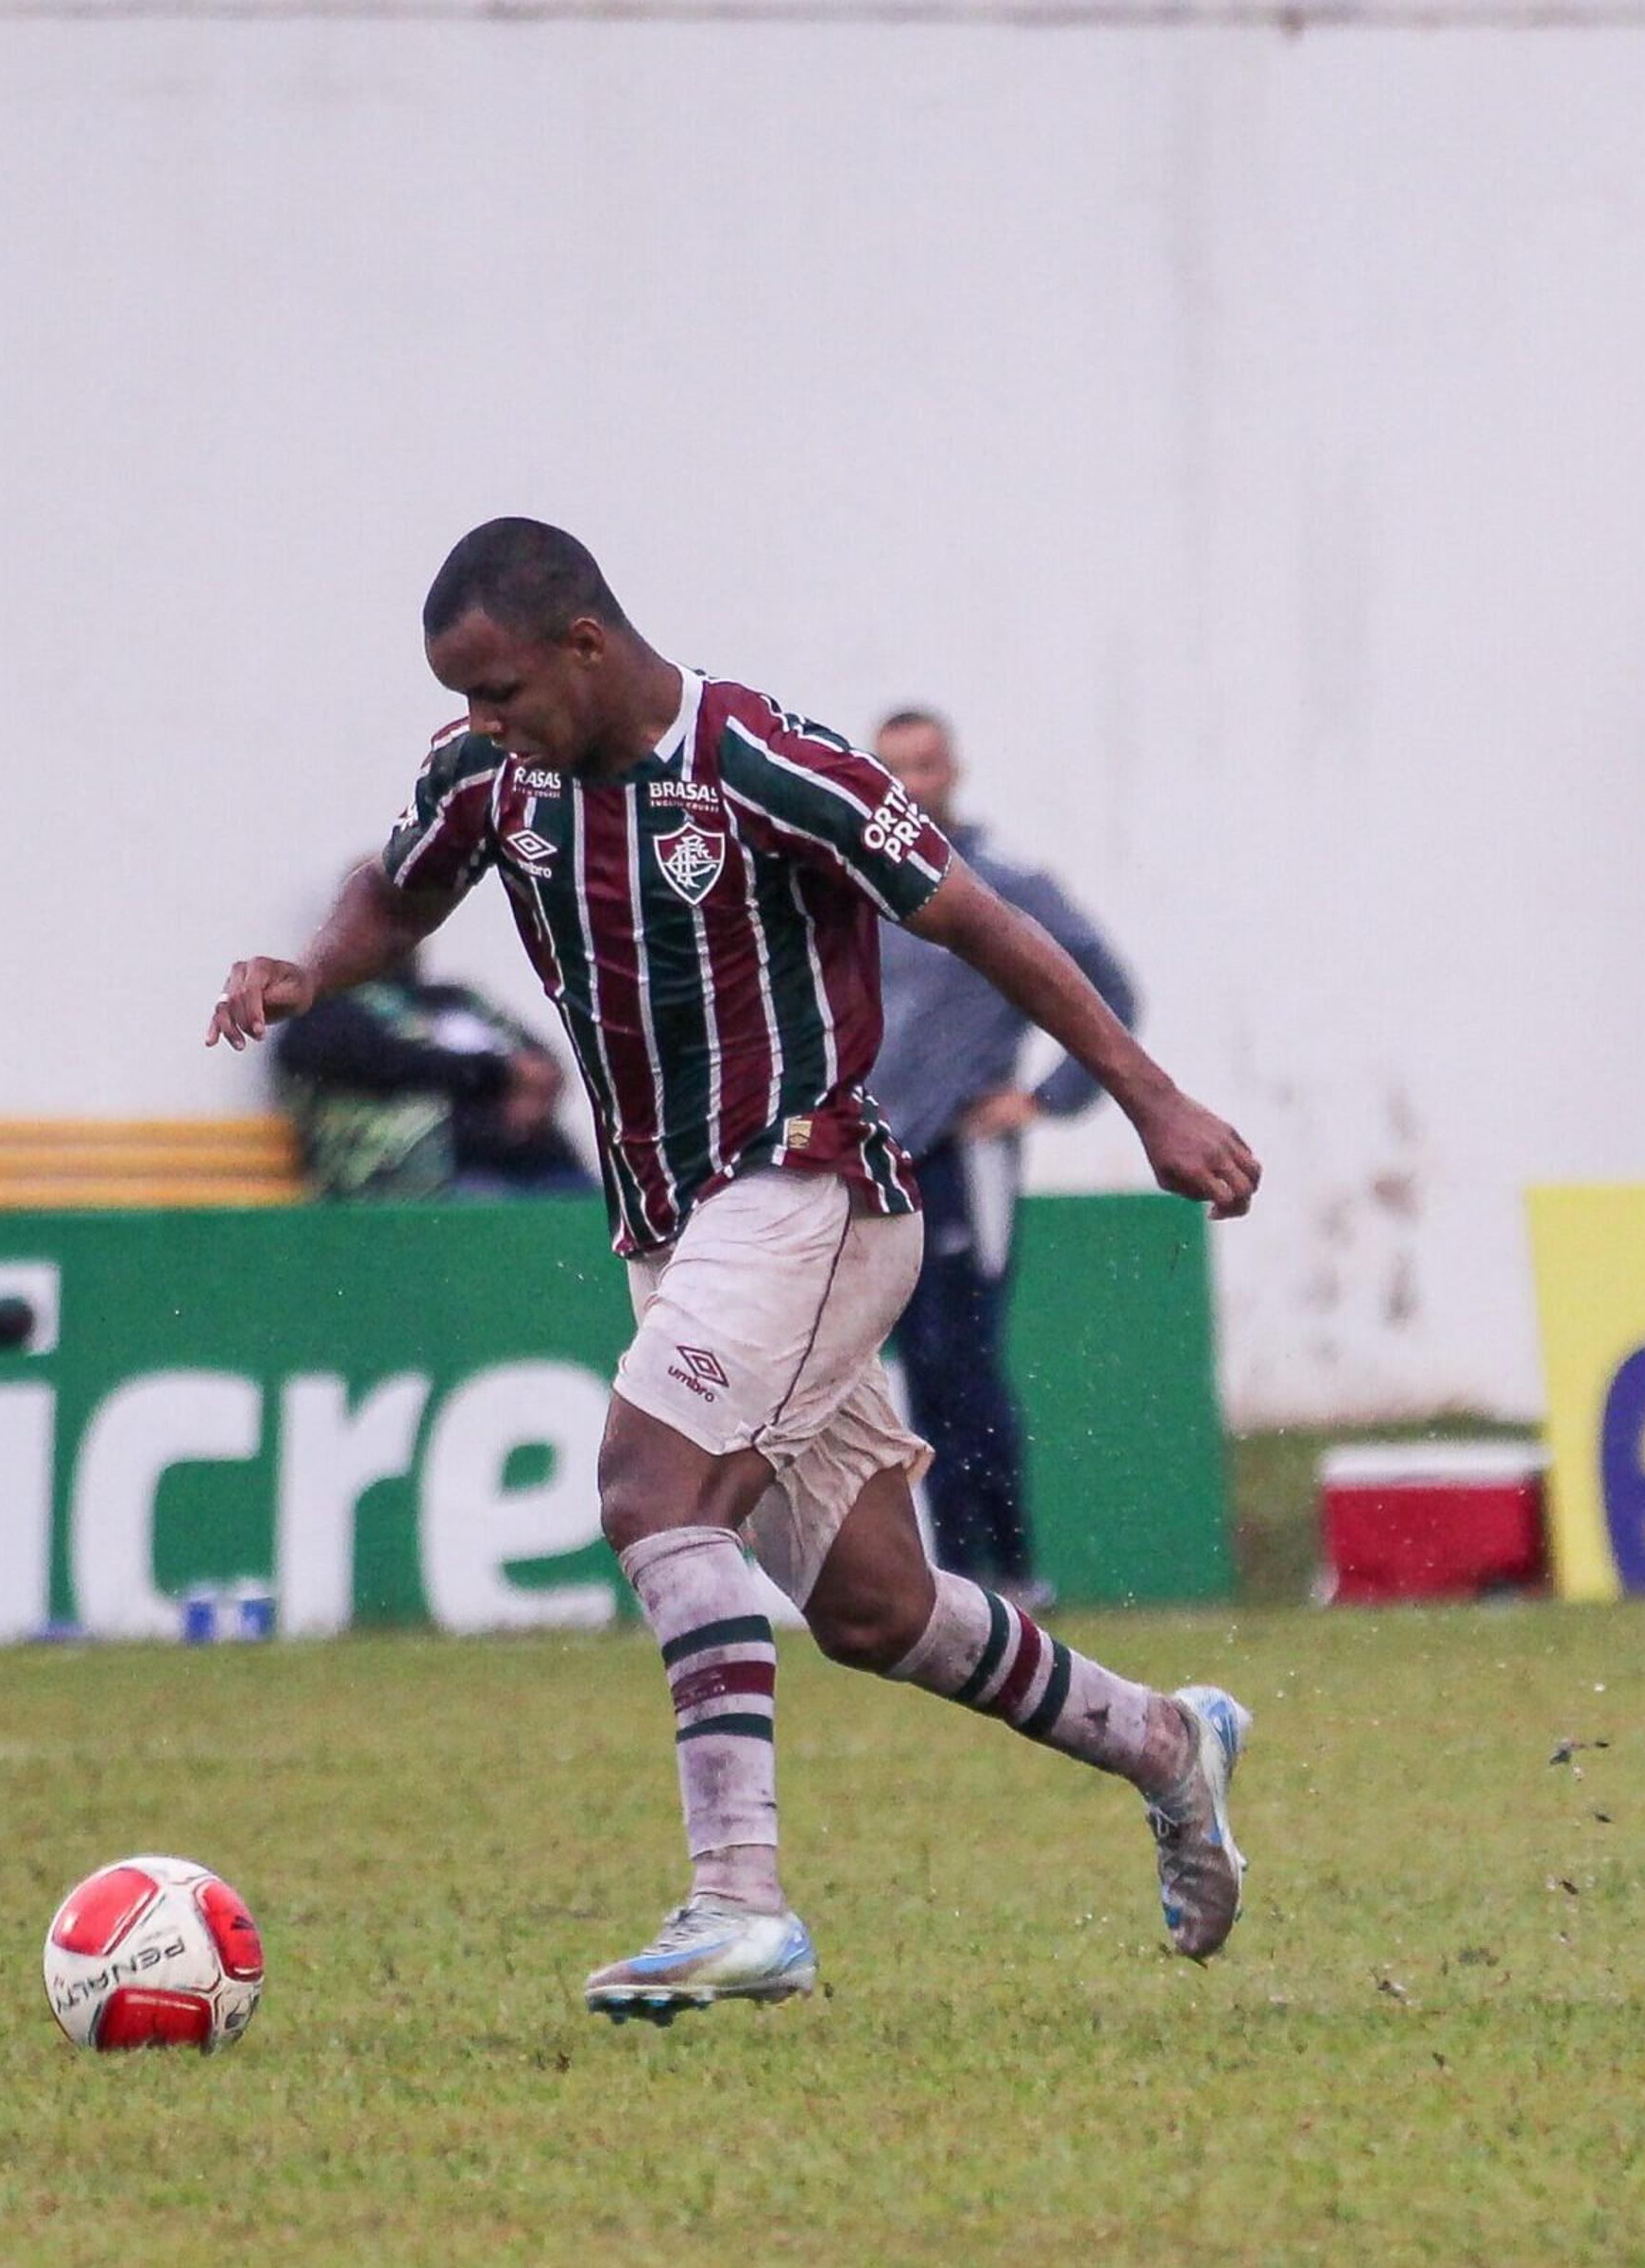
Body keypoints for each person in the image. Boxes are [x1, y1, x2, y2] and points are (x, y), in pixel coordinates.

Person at [208, 519, 1266, 2017]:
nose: (482, 724)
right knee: (878, 1610)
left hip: (814, 1184)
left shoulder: (764, 760)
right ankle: (1163, 1740)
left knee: (652, 1488)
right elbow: (399, 892)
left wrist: (1152, 1100)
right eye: (467, 701)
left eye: (501, 690)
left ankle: (739, 1904)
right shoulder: (490, 779)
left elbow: (980, 921)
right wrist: (311, 967)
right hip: (679, 1227)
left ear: (586, 644)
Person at [862, 708, 1140, 1605]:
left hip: (963, 1151)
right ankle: (955, 1573)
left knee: (964, 1355)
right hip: (882, 1155)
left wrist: (1047, 1096)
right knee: (918, 1364)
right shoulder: (859, 883)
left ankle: (1014, 1569)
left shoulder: (1002, 878)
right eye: (892, 766)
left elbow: (1110, 983)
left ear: (956, 771)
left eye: (926, 765)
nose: (911, 783)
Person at [269, 933, 594, 1200]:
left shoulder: (455, 998)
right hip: (416, 1181)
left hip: (530, 1158)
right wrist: (502, 1073)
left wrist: (534, 1093)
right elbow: (392, 1062)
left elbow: (541, 1063)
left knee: (594, 1211)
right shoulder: (325, 1013)